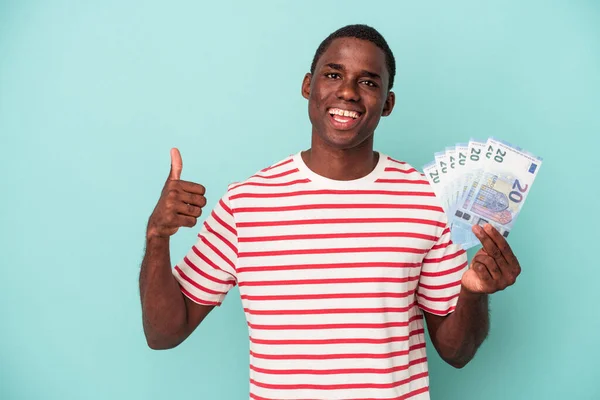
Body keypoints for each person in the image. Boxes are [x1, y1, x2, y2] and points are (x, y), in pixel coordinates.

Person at [139, 24, 522, 400]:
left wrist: (473, 293)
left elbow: (456, 353)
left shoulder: (426, 199)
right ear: (309, 86)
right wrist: (157, 236)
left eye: (369, 82)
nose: (348, 92)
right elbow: (164, 334)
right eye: (333, 74)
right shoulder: (246, 203)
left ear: (387, 103)